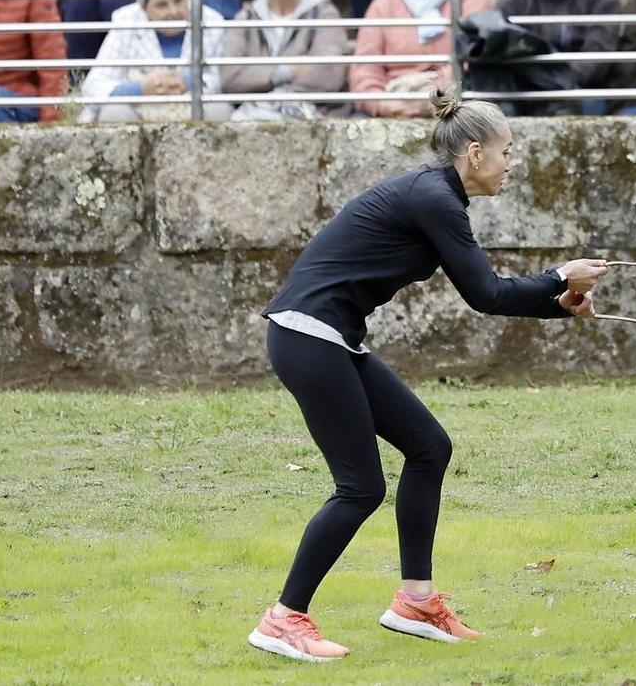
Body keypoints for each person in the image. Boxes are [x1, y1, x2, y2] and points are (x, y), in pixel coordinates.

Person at [248, 84, 610, 663]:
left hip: (327, 337)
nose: (510, 163)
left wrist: (556, 299)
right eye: (507, 151)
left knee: (427, 446)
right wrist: (559, 274)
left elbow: (481, 294)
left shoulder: (437, 197)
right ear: (474, 153)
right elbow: (489, 293)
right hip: (306, 335)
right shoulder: (435, 198)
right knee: (360, 488)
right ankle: (283, 618)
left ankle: (415, 601)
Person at [347, 0, 495, 116]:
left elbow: (473, 59)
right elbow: (365, 68)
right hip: (395, 99)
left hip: (457, 99)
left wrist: (435, 95)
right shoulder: (382, 5)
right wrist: (384, 104)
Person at [79, 0, 232, 122]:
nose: (173, 11)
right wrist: (141, 88)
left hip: (192, 106)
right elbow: (94, 86)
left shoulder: (211, 20)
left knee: (221, 110)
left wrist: (188, 81)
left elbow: (225, 79)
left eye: (178, 1)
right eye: (162, 5)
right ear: (144, 7)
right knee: (114, 113)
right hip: (142, 109)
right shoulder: (127, 20)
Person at [220, 0, 353, 119]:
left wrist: (275, 93)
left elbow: (329, 74)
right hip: (253, 114)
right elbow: (230, 78)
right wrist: (287, 71)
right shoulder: (245, 18)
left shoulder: (324, 12)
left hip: (316, 114)